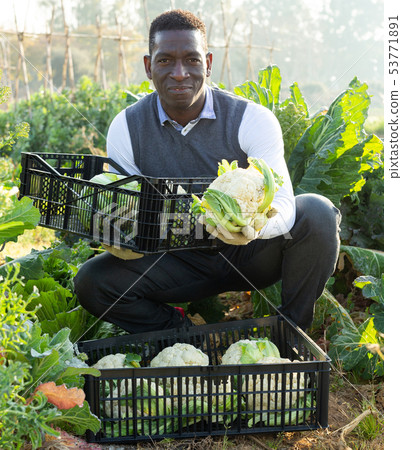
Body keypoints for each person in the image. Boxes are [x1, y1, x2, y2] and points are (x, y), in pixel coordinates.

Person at [74, 9, 341, 334]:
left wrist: (253, 228)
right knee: (92, 282)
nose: (179, 73)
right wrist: (115, 231)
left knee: (316, 211)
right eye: (165, 61)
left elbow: (284, 206)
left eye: (192, 59)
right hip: (176, 261)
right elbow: (127, 208)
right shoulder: (126, 128)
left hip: (252, 256)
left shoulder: (250, 119)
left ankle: (290, 332)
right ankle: (182, 335)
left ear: (209, 63)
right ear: (148, 66)